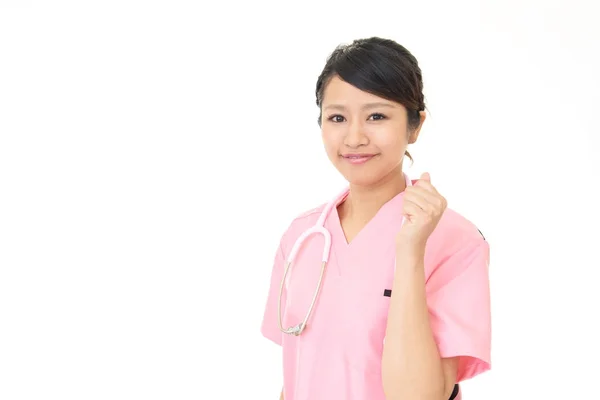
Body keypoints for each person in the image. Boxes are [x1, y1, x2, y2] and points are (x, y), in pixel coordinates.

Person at [260, 37, 491, 400]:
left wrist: (411, 252)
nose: (354, 137)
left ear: (415, 127)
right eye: (337, 117)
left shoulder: (456, 241)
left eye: (377, 116)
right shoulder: (302, 235)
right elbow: (298, 374)